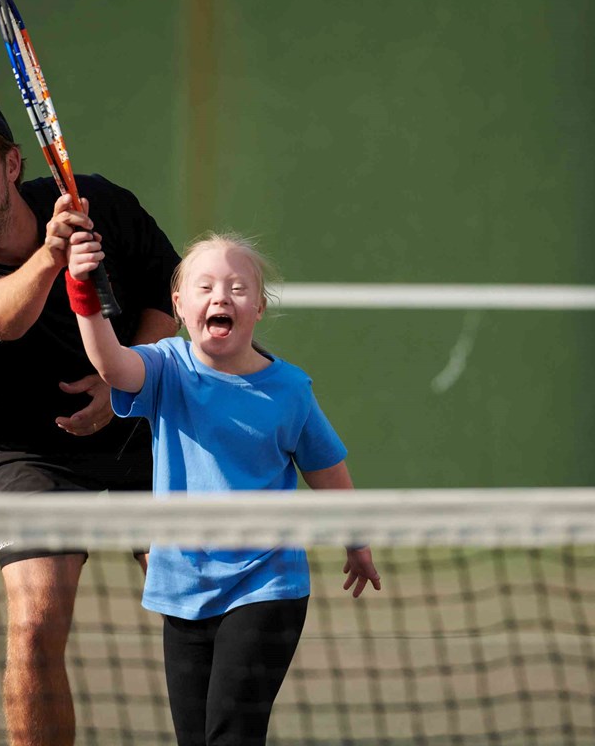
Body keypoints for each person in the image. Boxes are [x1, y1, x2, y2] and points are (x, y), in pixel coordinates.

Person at [0, 94, 181, 746]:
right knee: (34, 623)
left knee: (192, 610)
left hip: (146, 430)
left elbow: (165, 291)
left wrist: (127, 379)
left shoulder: (97, 203)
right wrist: (51, 256)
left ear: (12, 162)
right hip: (36, 452)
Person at [66, 229, 382, 745]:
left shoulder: (290, 390)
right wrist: (83, 291)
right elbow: (110, 364)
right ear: (179, 305)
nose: (220, 297)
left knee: (231, 734)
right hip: (181, 585)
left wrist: (357, 539)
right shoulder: (166, 366)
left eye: (237, 288)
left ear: (258, 307)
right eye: (205, 286)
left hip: (267, 584)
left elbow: (326, 467)